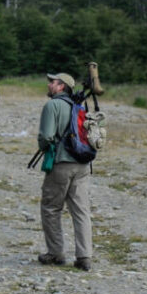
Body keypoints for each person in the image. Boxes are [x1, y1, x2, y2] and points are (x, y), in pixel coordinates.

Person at [37, 72, 93, 272]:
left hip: (61, 163)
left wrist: (44, 147)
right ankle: (84, 256)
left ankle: (56, 253)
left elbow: (46, 136)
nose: (49, 84)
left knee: (51, 208)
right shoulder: (78, 106)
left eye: (52, 82)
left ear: (61, 86)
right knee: (81, 211)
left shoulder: (52, 106)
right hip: (82, 164)